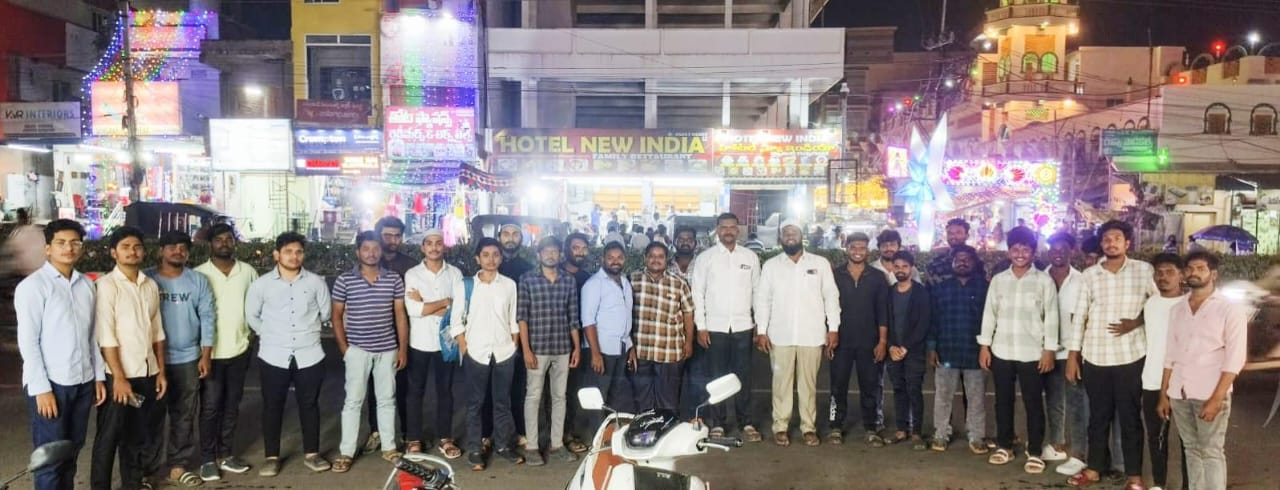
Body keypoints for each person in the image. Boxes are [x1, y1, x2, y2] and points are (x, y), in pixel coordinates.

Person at [1064, 220, 1158, 489]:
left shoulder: (1144, 270)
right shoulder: (1090, 275)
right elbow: (1080, 316)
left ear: (1127, 243)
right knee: (1098, 417)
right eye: (1106, 239)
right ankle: (1094, 469)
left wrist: (1136, 322)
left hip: (1131, 356)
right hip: (1096, 356)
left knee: (1130, 418)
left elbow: (1158, 304)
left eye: (1117, 238)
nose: (1111, 243)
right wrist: (1073, 356)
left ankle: (1134, 476)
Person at [17, 219, 105, 490]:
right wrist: (41, 389)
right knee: (50, 457)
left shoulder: (86, 285)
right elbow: (28, 342)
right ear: (48, 248)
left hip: (82, 381)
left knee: (71, 451)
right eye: (61, 243)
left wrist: (98, 377)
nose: (69, 248)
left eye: (75, 243)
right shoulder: (33, 287)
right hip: (52, 384)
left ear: (81, 248)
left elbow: (92, 335)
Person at [1157, 251, 1247, 490]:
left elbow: (1235, 359)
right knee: (1191, 449)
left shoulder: (1229, 309)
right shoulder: (1178, 309)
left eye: (1200, 268)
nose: (1193, 273)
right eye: (1190, 269)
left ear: (1213, 274)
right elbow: (1170, 354)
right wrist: (1164, 394)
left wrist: (1216, 399)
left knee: (1211, 451)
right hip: (1180, 392)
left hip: (1210, 392)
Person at [246, 232, 333, 477]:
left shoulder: (315, 283)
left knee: (309, 405)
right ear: (277, 254)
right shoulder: (262, 285)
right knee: (272, 406)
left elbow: (326, 313)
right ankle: (271, 457)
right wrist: (272, 334)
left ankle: (312, 454)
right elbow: (252, 316)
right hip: (273, 355)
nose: (294, 256)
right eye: (288, 252)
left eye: (298, 252)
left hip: (310, 353)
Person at [91, 226, 168, 490]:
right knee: (108, 437)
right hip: (118, 376)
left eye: (136, 247)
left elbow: (157, 331)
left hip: (146, 372)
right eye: (125, 247)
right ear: (114, 253)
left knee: (136, 436)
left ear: (143, 252)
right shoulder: (106, 286)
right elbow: (106, 336)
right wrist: (119, 378)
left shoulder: (150, 285)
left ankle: (132, 484)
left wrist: (160, 371)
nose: (132, 252)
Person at [978, 226, 1059, 473]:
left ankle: (1034, 451)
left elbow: (1051, 317)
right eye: (1015, 249)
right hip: (1002, 350)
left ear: (1033, 252)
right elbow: (989, 314)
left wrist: (1049, 350)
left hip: (1032, 353)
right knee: (1003, 401)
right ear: (1008, 251)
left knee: (1033, 403)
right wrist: (985, 346)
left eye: (1025, 249)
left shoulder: (1044, 281)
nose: (1020, 254)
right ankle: (1005, 446)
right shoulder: (999, 281)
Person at [754, 222, 840, 447]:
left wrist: (833, 328)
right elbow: (763, 300)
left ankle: (808, 428)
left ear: (802, 236)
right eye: (785, 233)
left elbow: (831, 297)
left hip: (812, 335)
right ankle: (780, 426)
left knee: (808, 385)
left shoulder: (819, 264)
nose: (789, 236)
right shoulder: (771, 266)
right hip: (779, 335)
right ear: (780, 238)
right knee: (780, 384)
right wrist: (761, 331)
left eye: (794, 232)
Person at [331, 231, 409, 472]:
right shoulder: (345, 280)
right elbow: (336, 315)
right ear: (358, 252)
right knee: (353, 401)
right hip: (357, 350)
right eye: (366, 248)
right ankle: (346, 452)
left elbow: (400, 315)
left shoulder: (393, 279)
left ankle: (389, 447)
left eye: (375, 249)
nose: (371, 253)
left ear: (381, 251)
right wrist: (345, 349)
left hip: (387, 349)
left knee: (386, 400)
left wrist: (402, 349)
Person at [144, 231, 215, 487]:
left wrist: (205, 355)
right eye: (172, 246)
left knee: (184, 415)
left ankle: (177, 466)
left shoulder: (198, 281)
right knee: (151, 416)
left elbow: (207, 317)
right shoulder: (147, 280)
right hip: (152, 360)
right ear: (161, 251)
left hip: (187, 358)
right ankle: (148, 471)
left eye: (183, 247)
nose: (178, 251)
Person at [452, 237, 524, 471]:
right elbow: (456, 321)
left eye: (495, 254)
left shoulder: (509, 285)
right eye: (485, 255)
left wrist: (513, 346)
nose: (491, 259)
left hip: (504, 352)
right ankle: (475, 449)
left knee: (502, 403)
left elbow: (513, 318)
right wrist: (465, 347)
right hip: (476, 352)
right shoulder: (466, 285)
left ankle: (503, 446)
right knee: (475, 404)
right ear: (477, 258)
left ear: (501, 258)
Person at [193, 224, 258, 481]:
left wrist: (250, 337)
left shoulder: (248, 272)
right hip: (209, 354)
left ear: (235, 243)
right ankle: (207, 459)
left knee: (232, 406)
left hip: (239, 350)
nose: (224, 243)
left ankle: (226, 454)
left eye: (228, 239)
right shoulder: (200, 274)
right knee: (210, 407)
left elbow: (256, 306)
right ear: (210, 244)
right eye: (218, 239)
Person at [690, 213, 762, 442]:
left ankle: (746, 421)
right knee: (717, 378)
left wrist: (759, 326)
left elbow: (757, 293)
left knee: (743, 377)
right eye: (724, 227)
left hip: (743, 326)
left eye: (732, 227)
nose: (728, 231)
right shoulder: (706, 258)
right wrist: (701, 327)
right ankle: (718, 423)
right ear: (717, 230)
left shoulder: (750, 257)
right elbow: (697, 294)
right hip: (714, 328)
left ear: (738, 230)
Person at [517, 236, 582, 466]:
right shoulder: (527, 279)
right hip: (537, 348)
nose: (551, 255)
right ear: (539, 255)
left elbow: (573, 317)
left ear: (560, 255)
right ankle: (532, 446)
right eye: (546, 251)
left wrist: (577, 347)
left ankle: (556, 444)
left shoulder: (568, 280)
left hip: (562, 347)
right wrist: (526, 349)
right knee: (533, 396)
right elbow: (522, 318)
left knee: (559, 397)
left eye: (554, 251)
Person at [403, 229, 464, 459]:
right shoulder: (412, 274)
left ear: (444, 247)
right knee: (415, 392)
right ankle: (414, 439)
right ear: (423, 248)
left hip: (446, 343)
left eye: (438, 243)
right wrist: (445, 302)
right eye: (429, 243)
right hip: (419, 342)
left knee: (445, 392)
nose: (434, 247)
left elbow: (459, 308)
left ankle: (445, 439)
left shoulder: (455, 273)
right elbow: (413, 309)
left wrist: (428, 304)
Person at [828, 232, 890, 447]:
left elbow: (883, 312)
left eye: (862, 248)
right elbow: (827, 307)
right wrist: (829, 334)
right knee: (837, 386)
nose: (857, 252)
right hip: (840, 342)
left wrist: (882, 342)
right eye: (853, 247)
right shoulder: (835, 275)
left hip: (869, 342)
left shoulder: (877, 277)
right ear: (846, 248)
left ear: (868, 250)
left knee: (870, 387)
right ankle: (835, 426)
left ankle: (871, 428)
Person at [361, 216, 417, 454]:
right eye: (387, 235)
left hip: (403, 336)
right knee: (374, 388)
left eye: (397, 236)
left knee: (403, 388)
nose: (392, 240)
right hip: (373, 336)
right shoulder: (369, 262)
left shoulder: (411, 266)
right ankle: (376, 432)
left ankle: (406, 434)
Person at [927, 244, 990, 454]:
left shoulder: (985, 288)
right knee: (943, 396)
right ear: (952, 263)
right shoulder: (940, 289)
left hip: (975, 353)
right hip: (947, 350)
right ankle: (941, 433)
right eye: (958, 259)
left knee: (976, 398)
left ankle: (976, 435)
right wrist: (932, 347)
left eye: (967, 259)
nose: (962, 262)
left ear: (974, 263)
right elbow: (933, 320)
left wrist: (987, 348)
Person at [631, 242, 696, 413]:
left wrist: (689, 342)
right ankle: (645, 428)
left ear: (667, 259)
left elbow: (688, 314)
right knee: (642, 399)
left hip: (669, 351)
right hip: (640, 351)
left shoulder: (679, 283)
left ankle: (667, 429)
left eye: (660, 256)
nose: (656, 260)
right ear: (645, 258)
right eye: (652, 256)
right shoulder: (633, 280)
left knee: (668, 400)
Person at [1142, 254, 1188, 490]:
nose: (1163, 277)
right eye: (1159, 272)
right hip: (1152, 380)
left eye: (1170, 272)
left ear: (1181, 275)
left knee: (1187, 440)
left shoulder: (1190, 304)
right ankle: (1159, 483)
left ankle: (1188, 485)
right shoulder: (1150, 304)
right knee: (1156, 437)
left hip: (1183, 383)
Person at [580, 242, 635, 428]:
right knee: (598, 398)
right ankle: (595, 437)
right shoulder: (594, 284)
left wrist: (630, 346)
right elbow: (588, 321)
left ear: (625, 259)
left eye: (619, 258)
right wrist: (595, 354)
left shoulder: (625, 283)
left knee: (615, 396)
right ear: (603, 259)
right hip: (601, 350)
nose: (615, 261)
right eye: (610, 258)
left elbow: (626, 317)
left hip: (620, 349)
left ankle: (612, 435)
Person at [885, 251, 930, 450]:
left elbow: (924, 323)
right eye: (897, 266)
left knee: (914, 390)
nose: (900, 270)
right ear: (892, 268)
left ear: (911, 268)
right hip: (893, 351)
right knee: (898, 389)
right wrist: (891, 346)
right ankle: (901, 429)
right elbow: (884, 321)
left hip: (914, 351)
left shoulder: (921, 293)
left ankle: (917, 432)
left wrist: (906, 347)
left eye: (904, 266)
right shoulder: (888, 293)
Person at [496, 223, 534, 446]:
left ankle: (519, 431)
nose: (510, 238)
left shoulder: (528, 269)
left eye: (515, 234)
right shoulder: (491, 266)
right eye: (506, 234)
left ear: (522, 239)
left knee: (518, 387)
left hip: (519, 336)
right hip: (492, 335)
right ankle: (488, 434)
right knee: (491, 389)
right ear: (499, 237)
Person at [560, 233, 594, 454]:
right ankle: (560, 436)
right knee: (558, 393)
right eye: (575, 247)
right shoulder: (555, 273)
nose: (580, 252)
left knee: (574, 390)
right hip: (557, 342)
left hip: (581, 343)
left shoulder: (588, 278)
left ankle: (570, 432)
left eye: (583, 248)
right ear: (566, 250)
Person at [927, 218, 982, 286]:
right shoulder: (937, 262)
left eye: (958, 233)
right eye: (950, 233)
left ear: (967, 236)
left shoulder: (976, 260)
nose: (953, 236)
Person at [5, 207, 47, 276]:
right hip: (42, 270)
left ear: (19, 219)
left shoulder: (18, 234)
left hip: (27, 272)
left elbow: (9, 250)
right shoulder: (38, 230)